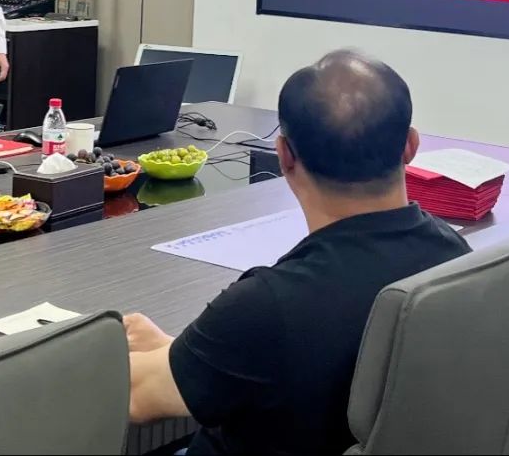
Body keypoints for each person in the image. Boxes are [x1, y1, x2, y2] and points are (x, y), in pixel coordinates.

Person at [125, 49, 470, 455]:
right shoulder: (453, 255)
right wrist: (186, 354)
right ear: (410, 146)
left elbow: (136, 396)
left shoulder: (268, 305)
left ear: (284, 155)